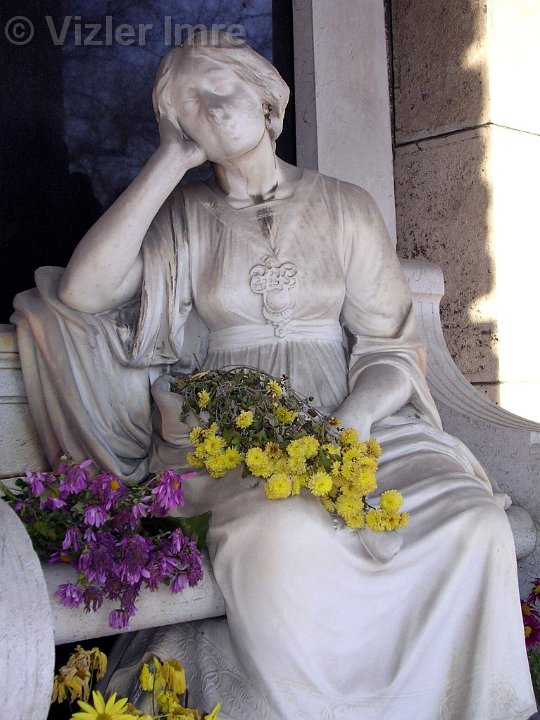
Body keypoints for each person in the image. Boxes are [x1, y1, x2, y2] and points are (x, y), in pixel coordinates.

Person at [12, 32, 536, 720]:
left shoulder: (346, 206)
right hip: (235, 438)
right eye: (188, 108)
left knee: (472, 521)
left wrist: (354, 419)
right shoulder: (184, 217)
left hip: (360, 419)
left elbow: (390, 346)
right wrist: (170, 160)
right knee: (285, 536)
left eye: (220, 90)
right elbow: (83, 293)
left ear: (265, 98)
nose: (210, 111)